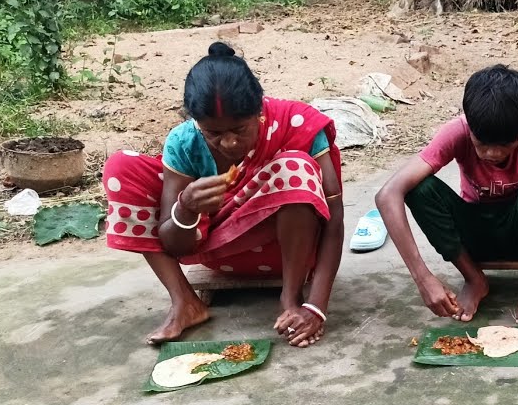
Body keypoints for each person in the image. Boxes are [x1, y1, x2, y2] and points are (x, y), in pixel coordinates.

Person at [102, 42, 344, 347]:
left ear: (259, 111)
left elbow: (334, 221)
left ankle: (291, 297)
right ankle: (185, 302)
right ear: (195, 123)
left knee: (294, 166)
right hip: (214, 251)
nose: (228, 143)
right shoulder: (184, 143)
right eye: (213, 134)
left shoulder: (296, 122)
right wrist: (186, 208)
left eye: (240, 130)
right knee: (122, 167)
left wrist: (316, 307)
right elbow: (174, 244)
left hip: (288, 252)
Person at [374, 64, 518, 323]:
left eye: (505, 146)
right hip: (475, 236)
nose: (493, 154)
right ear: (469, 126)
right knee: (419, 188)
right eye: (481, 144)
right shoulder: (457, 131)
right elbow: (387, 194)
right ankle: (474, 278)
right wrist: (423, 278)